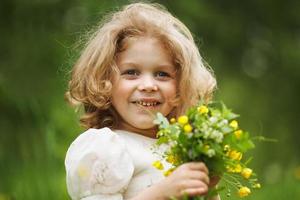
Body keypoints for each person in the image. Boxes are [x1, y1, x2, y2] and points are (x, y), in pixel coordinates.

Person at [65, 2, 218, 200]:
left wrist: (209, 190)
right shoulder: (106, 148)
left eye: (162, 74)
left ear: (182, 85)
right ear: (105, 82)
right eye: (131, 72)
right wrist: (163, 193)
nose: (148, 85)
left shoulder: (182, 151)